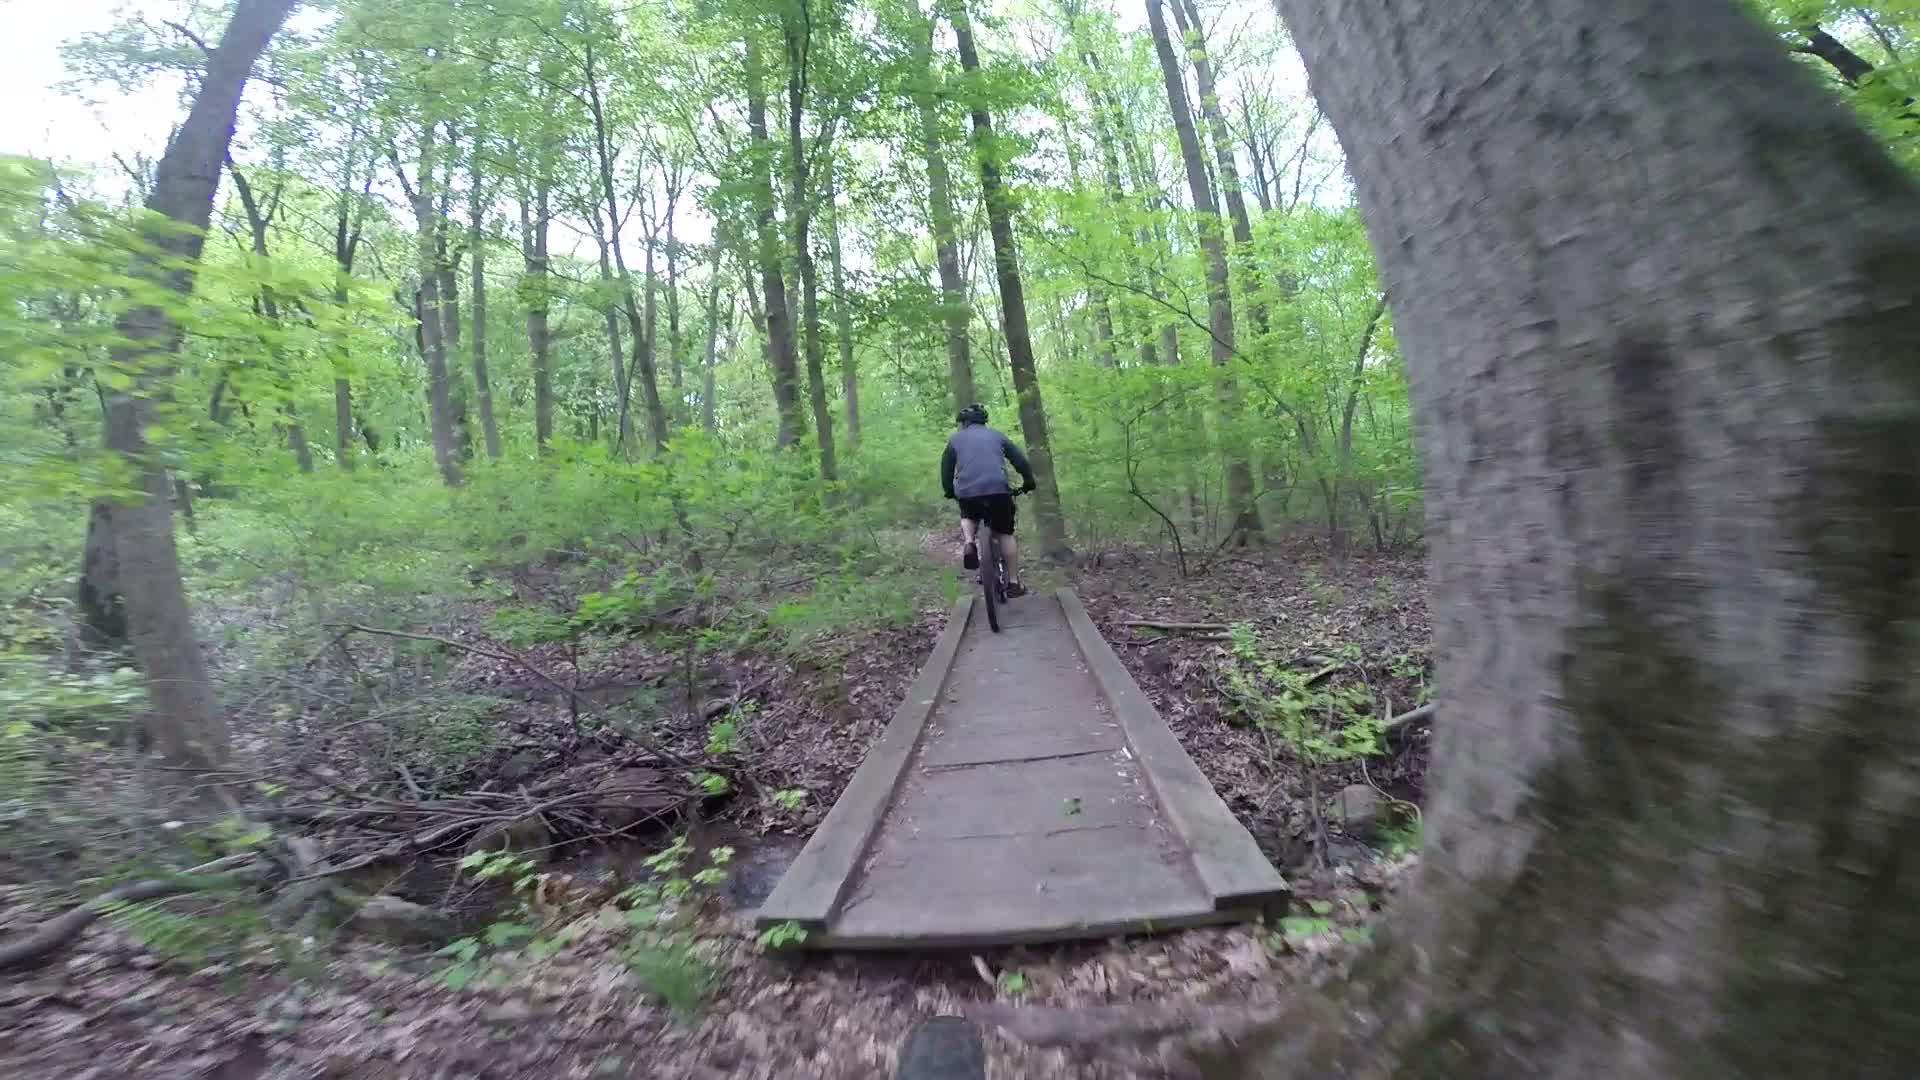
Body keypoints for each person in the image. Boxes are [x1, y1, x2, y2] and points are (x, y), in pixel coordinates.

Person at [940, 403, 1036, 597]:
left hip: (968, 492)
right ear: (984, 420)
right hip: (998, 490)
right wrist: (1028, 482)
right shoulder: (997, 436)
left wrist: (950, 491)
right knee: (1005, 534)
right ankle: (1014, 583)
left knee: (967, 514)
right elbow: (1020, 461)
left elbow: (946, 470)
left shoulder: (955, 440)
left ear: (964, 423)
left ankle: (969, 542)